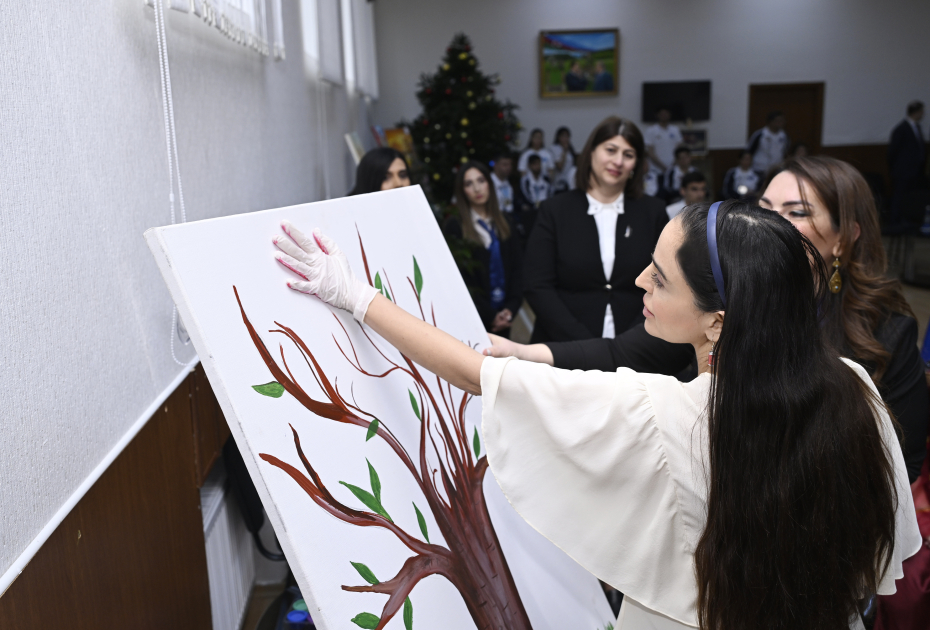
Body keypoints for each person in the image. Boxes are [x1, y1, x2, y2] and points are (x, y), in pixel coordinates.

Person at [270, 202, 920, 630]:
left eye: (660, 279)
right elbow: (875, 557)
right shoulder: (855, 388)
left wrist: (352, 294)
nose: (639, 281)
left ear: (717, 322)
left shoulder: (663, 414)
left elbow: (478, 376)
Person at [488, 155, 929, 484]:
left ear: (845, 238)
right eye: (764, 206)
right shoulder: (724, 295)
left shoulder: (884, 331)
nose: (770, 222)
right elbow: (624, 352)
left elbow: (899, 466)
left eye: (796, 212)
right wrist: (524, 351)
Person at [523, 116, 668, 343]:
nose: (618, 161)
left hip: (637, 347)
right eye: (610, 150)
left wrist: (629, 343)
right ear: (591, 152)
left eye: (628, 155)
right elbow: (537, 286)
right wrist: (584, 346)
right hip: (563, 347)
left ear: (636, 164)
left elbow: (664, 284)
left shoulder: (653, 212)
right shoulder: (555, 210)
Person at [442, 161, 523, 337]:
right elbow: (458, 280)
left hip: (505, 316)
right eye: (469, 184)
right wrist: (490, 315)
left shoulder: (506, 221)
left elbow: (518, 269)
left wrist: (510, 309)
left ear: (489, 184)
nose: (477, 188)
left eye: (481, 180)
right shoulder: (455, 226)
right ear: (462, 191)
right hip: (474, 319)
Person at [888, 100, 926, 225]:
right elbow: (893, 152)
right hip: (903, 171)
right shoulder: (901, 129)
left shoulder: (917, 128)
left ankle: (908, 221)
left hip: (915, 171)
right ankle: (895, 221)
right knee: (899, 197)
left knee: (911, 197)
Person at [643, 107, 683, 197]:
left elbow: (679, 149)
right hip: (656, 170)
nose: (664, 116)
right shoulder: (651, 130)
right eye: (662, 113)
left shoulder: (675, 130)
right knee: (659, 194)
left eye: (666, 113)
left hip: (673, 169)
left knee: (674, 195)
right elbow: (650, 152)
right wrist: (663, 167)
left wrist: (671, 166)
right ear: (657, 115)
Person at [549, 127, 576, 193]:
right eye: (563, 136)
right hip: (558, 183)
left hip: (569, 182)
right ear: (558, 137)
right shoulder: (554, 148)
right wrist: (564, 151)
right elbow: (560, 167)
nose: (565, 139)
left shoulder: (570, 149)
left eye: (567, 136)